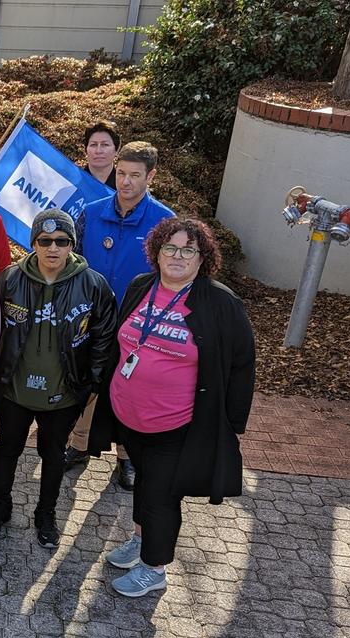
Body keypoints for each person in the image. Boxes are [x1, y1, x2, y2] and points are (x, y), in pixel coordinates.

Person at [87, 217, 254, 597]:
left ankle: (154, 567)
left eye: (188, 250)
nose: (177, 256)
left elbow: (242, 364)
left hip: (176, 424)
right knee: (144, 483)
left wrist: (231, 422)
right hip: (130, 416)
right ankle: (140, 540)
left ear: (202, 257)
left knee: (162, 494)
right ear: (157, 252)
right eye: (170, 248)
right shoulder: (141, 286)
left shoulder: (220, 303)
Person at [0, 209, 117, 548]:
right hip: (13, 390)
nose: (53, 248)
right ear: (33, 243)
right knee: (6, 449)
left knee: (53, 455)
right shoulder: (9, 279)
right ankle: (0, 507)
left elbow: (104, 335)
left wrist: (92, 381)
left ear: (71, 243)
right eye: (45, 240)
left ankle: (46, 514)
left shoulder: (93, 284)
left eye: (61, 241)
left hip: (64, 392)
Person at [66, 141, 175, 489]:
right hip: (93, 316)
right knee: (89, 379)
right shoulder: (92, 212)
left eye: (134, 175)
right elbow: (75, 261)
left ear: (151, 176)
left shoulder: (164, 222)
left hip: (139, 322)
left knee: (130, 387)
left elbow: (170, 275)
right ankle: (78, 444)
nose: (125, 182)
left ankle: (127, 458)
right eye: (121, 173)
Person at [82, 120, 120, 189]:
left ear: (116, 149)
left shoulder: (126, 187)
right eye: (93, 145)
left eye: (105, 145)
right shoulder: (72, 185)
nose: (98, 151)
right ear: (86, 149)